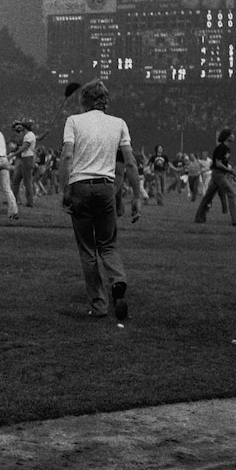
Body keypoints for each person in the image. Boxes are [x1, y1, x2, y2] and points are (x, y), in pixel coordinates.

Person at [57, 80, 141, 320]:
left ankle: (99, 305)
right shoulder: (119, 124)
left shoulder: (74, 121)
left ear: (85, 100)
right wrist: (136, 196)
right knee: (108, 244)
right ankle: (118, 281)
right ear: (104, 100)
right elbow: (131, 162)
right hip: (106, 187)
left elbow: (67, 156)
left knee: (87, 249)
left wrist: (65, 189)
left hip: (80, 186)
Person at [193, 129, 236, 227]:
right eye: (232, 135)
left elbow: (224, 162)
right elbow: (218, 163)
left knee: (208, 197)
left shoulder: (227, 148)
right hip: (218, 174)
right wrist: (229, 170)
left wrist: (232, 171)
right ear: (227, 137)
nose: (234, 136)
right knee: (232, 194)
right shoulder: (220, 148)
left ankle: (199, 217)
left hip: (219, 174)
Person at [9, 119, 37, 207]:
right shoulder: (28, 135)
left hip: (27, 159)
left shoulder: (29, 135)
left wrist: (12, 154)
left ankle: (30, 202)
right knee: (16, 180)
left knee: (27, 182)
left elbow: (24, 147)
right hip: (25, 159)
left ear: (25, 127)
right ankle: (14, 200)